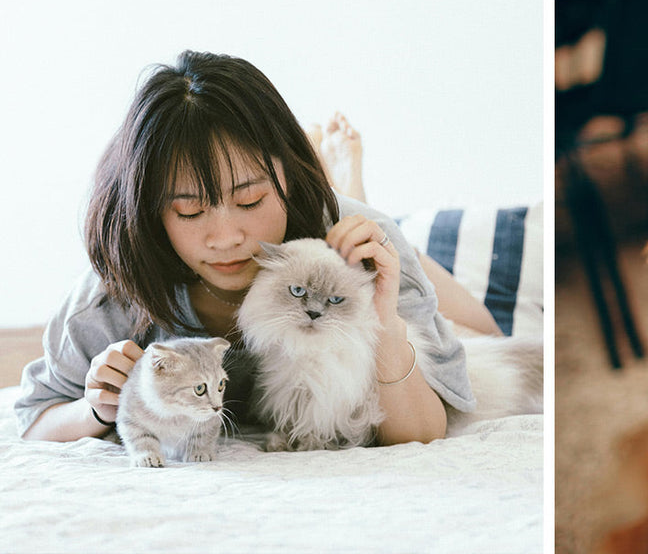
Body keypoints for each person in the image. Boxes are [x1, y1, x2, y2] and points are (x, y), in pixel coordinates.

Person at [16, 50, 490, 446]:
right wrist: (95, 408)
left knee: (484, 331)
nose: (225, 238)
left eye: (250, 199)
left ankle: (348, 188)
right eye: (188, 210)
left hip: (327, 233)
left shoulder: (365, 248)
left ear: (288, 170)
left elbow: (426, 431)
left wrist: (383, 324)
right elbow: (36, 419)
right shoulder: (114, 289)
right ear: (149, 212)